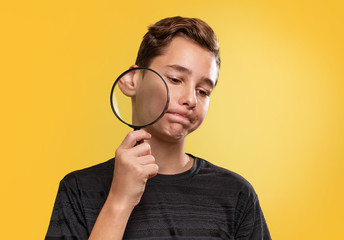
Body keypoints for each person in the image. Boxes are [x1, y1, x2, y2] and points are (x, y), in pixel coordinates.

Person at [45, 16, 271, 239]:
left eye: (202, 91)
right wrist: (119, 201)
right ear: (132, 79)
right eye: (175, 79)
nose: (190, 99)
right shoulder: (78, 189)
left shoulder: (236, 195)